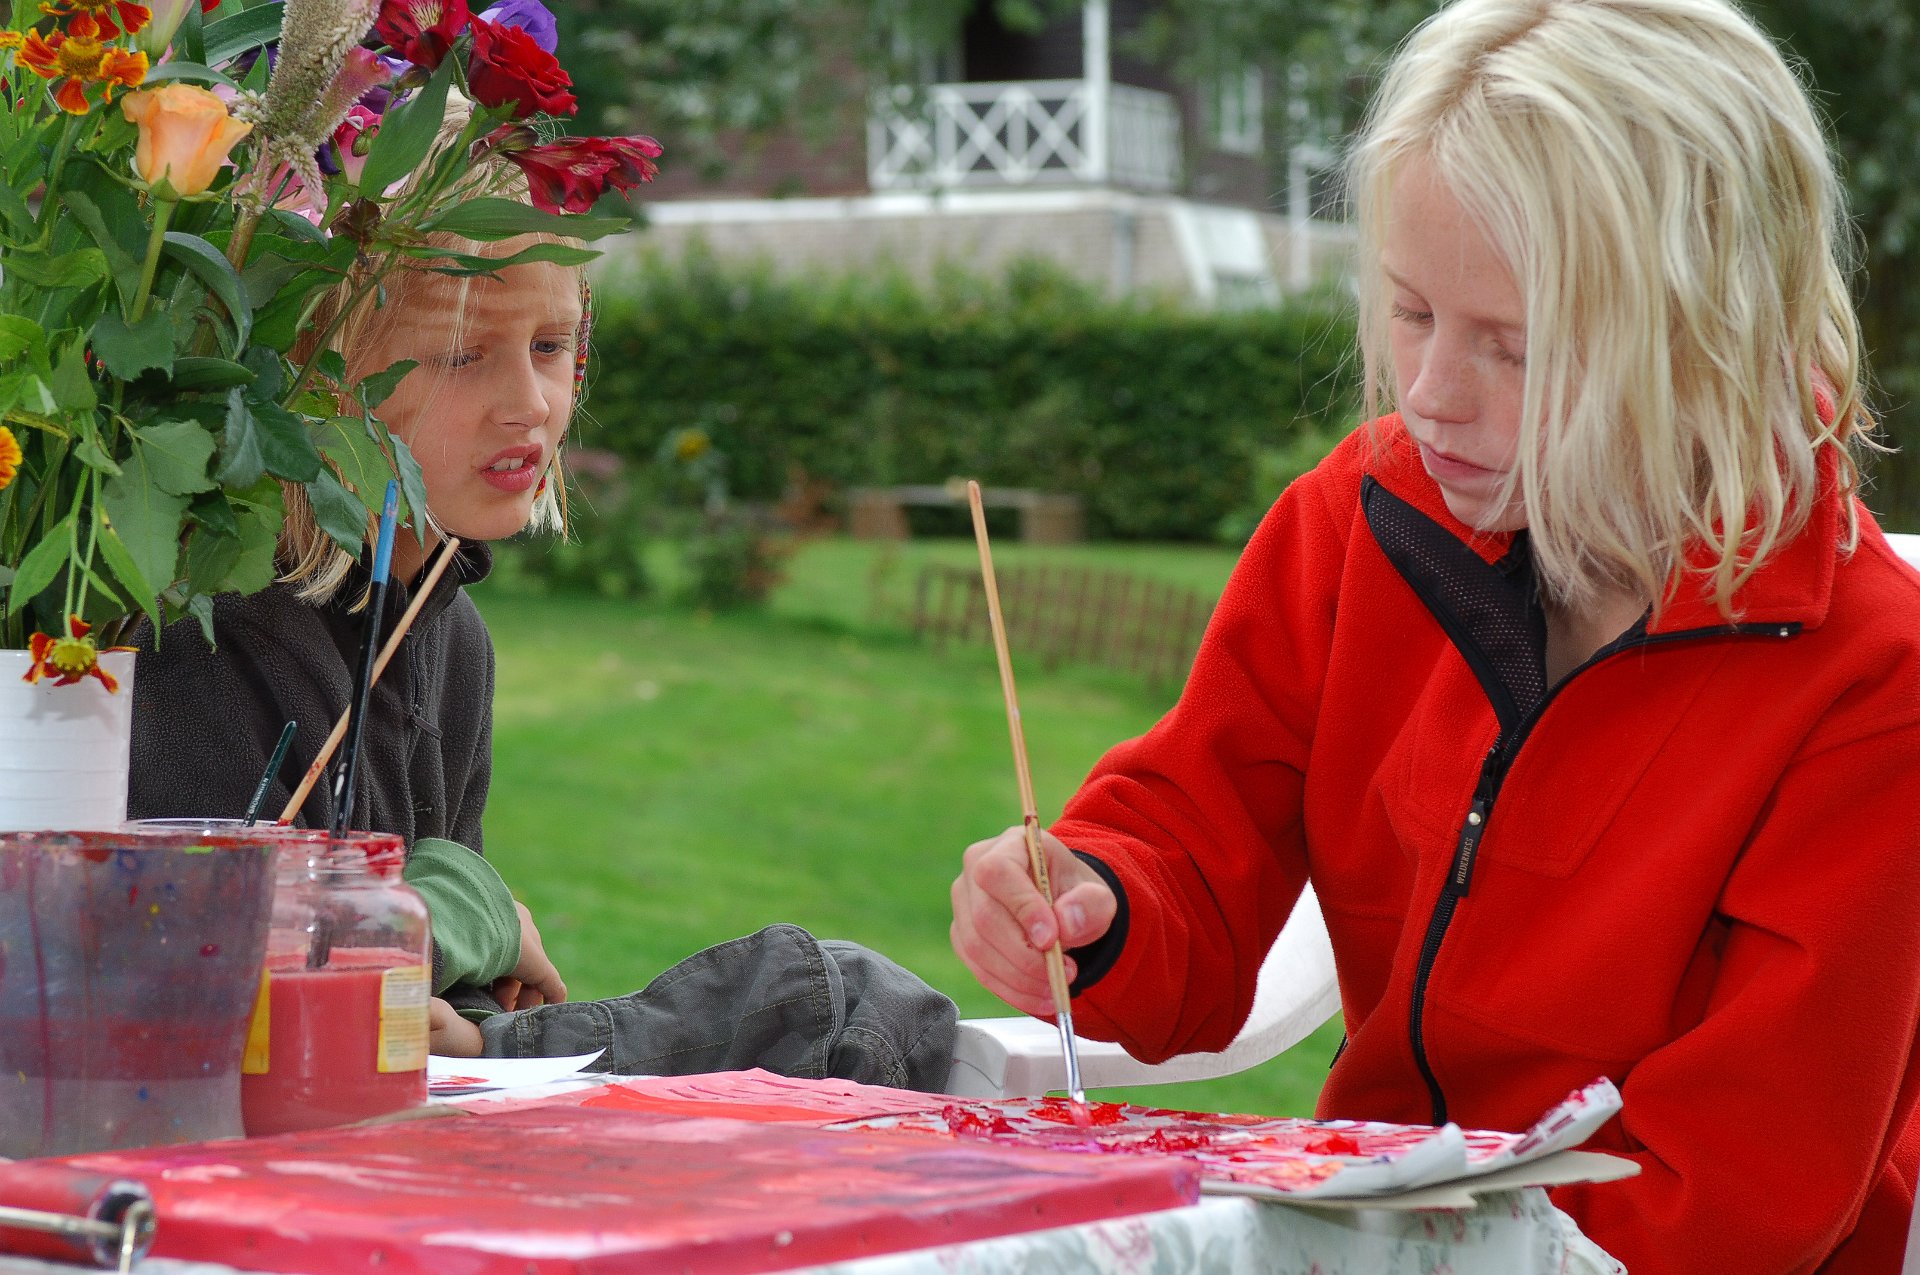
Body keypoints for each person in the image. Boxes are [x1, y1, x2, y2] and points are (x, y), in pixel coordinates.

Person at [949, 0, 1920, 1269]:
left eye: (1514, 349)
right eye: (1411, 313)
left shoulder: (1872, 686)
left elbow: (1737, 1200)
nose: (1430, 393)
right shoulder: (1359, 524)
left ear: (1708, 342)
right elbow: (1193, 837)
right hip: (1373, 1228)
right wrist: (1100, 908)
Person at [130, 118, 957, 1092]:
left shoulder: (451, 639)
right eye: (462, 355)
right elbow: (207, 977)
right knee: (823, 1000)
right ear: (318, 368)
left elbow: (454, 1006)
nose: (530, 402)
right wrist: (466, 909)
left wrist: (459, 956)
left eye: (552, 345)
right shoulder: (200, 623)